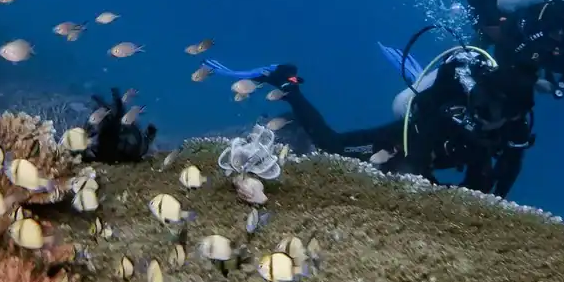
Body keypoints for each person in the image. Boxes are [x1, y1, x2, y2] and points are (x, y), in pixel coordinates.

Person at [203, 51, 537, 197]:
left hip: (435, 158)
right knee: (331, 145)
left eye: (489, 115)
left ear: (512, 116)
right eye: (478, 108)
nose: (478, 118)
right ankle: (287, 83)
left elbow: (491, 185)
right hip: (407, 139)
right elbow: (415, 168)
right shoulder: (450, 111)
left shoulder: (514, 132)